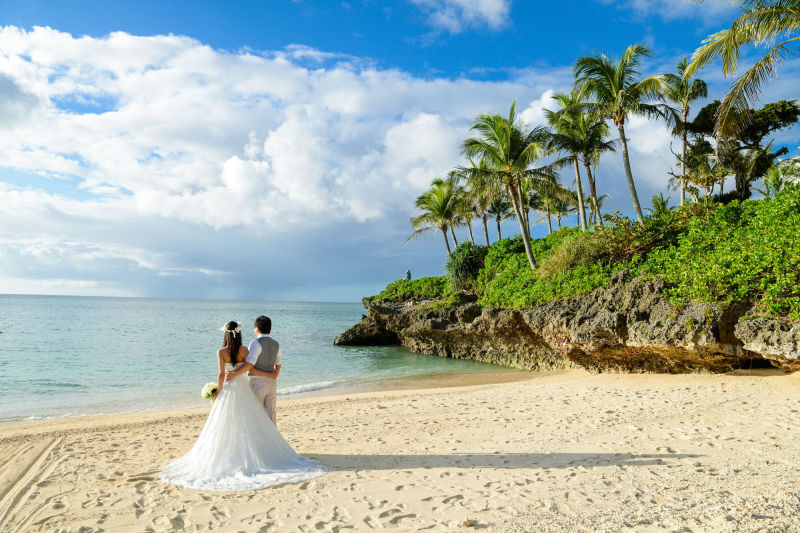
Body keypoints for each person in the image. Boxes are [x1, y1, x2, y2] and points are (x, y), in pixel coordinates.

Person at [159, 321, 326, 491]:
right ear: (239, 334)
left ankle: (230, 453)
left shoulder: (221, 352)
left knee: (226, 421)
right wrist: (267, 373)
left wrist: (217, 392)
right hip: (244, 387)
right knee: (251, 419)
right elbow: (249, 366)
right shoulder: (245, 350)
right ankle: (260, 450)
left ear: (225, 334)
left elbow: (221, 374)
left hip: (229, 388)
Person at [223, 315, 280, 425]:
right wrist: (270, 375)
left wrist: (233, 374)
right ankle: (272, 440)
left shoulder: (255, 343)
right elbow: (277, 369)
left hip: (257, 383)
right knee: (271, 415)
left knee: (256, 414)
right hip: (272, 384)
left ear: (256, 329)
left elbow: (250, 366)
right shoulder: (276, 345)